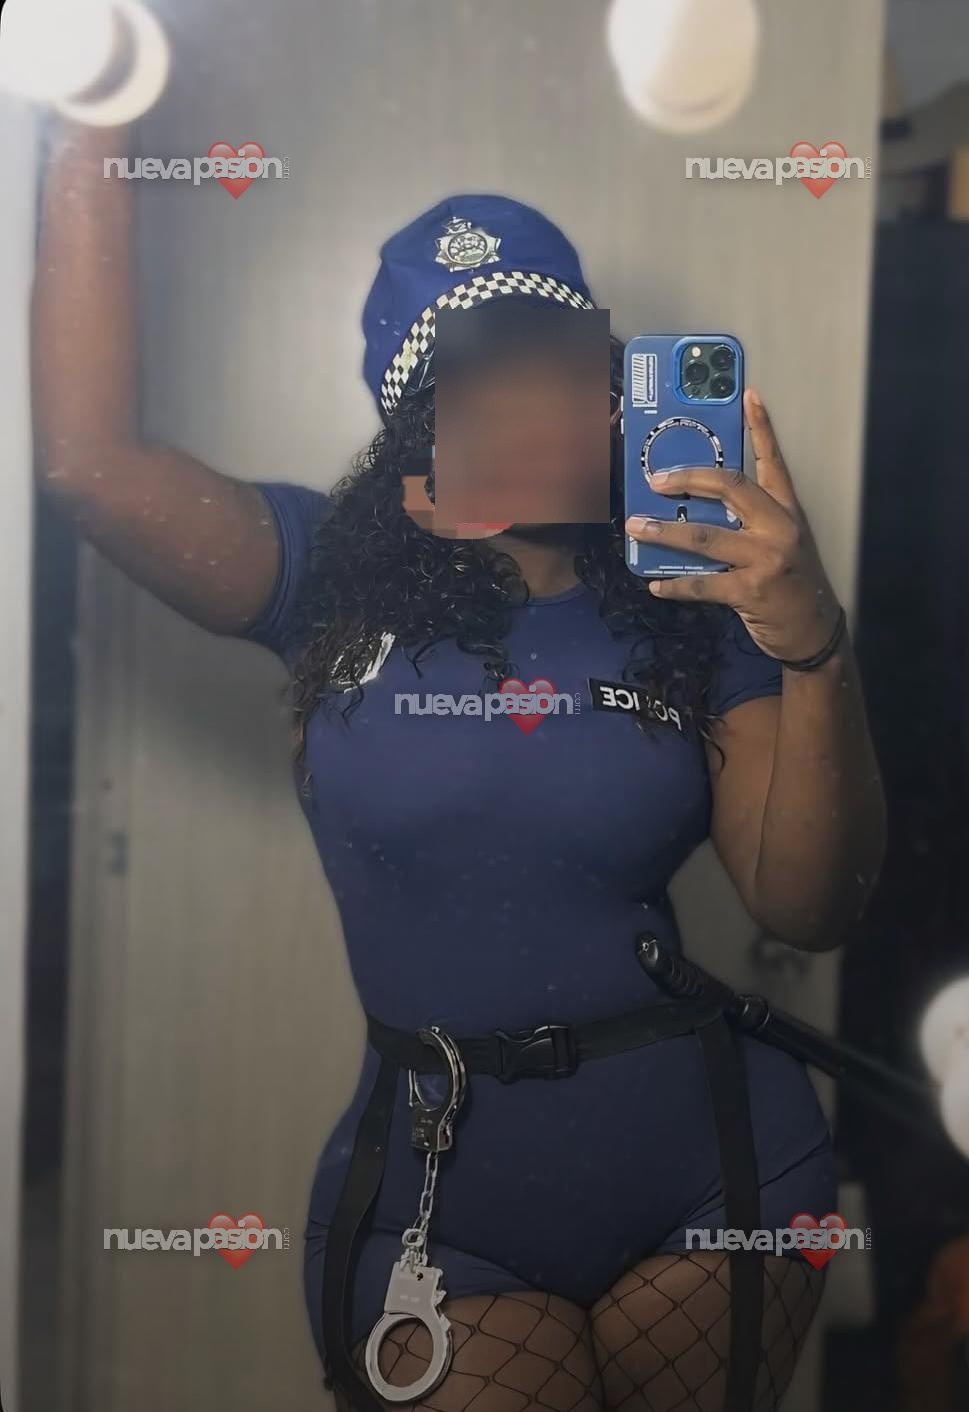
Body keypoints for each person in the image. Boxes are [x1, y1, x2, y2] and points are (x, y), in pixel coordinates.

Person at [32, 118, 886, 1412]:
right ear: (413, 422)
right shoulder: (322, 577)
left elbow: (807, 906)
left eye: (563, 352)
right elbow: (90, 471)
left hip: (717, 1167)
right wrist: (96, 111)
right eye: (478, 366)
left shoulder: (701, 599)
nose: (534, 396)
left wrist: (810, 635)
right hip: (438, 1198)